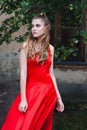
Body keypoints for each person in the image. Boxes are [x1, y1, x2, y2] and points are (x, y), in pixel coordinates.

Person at [1, 12, 64, 130]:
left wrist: (59, 98)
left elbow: (51, 74)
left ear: (46, 28)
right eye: (33, 26)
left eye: (38, 26)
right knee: (20, 123)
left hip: (48, 93)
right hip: (32, 91)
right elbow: (23, 74)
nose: (34, 29)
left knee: (41, 125)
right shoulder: (26, 46)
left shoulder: (51, 48)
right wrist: (23, 100)